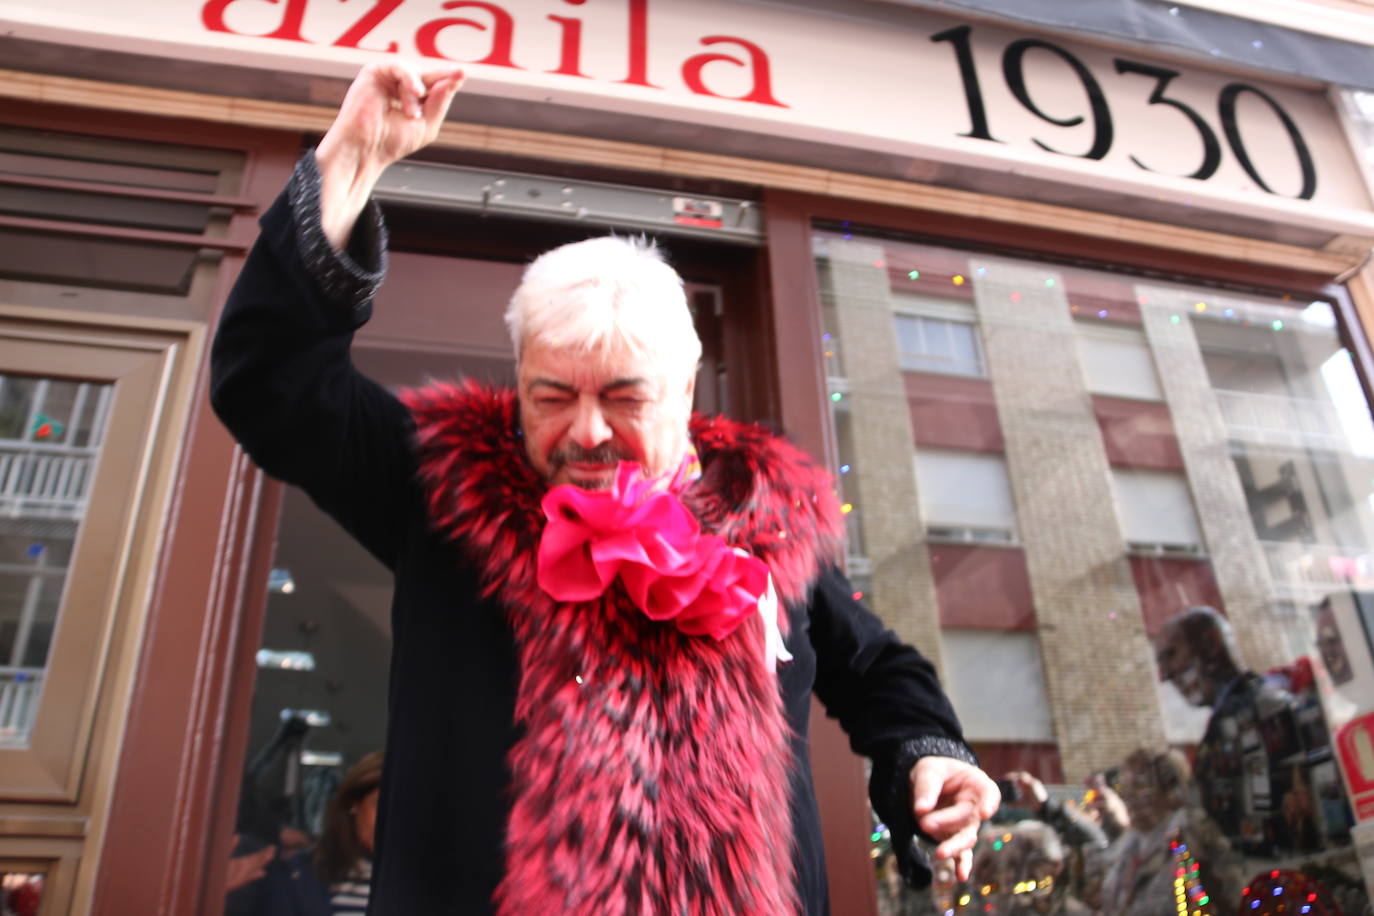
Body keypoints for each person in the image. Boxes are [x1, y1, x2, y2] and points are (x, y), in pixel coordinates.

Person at [210, 60, 998, 915]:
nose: (585, 431)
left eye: (623, 398)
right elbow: (272, 378)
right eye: (552, 397)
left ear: (688, 395)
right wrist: (354, 162)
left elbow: (877, 668)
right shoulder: (444, 484)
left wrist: (929, 753)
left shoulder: (763, 519)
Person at [1153, 605, 1310, 856]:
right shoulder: (1235, 721)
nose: (1164, 675)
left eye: (1170, 655)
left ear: (1211, 643)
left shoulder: (1264, 713)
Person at [263, 752, 383, 916]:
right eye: (379, 806)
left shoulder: (422, 885)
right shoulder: (299, 877)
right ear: (354, 804)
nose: (391, 821)